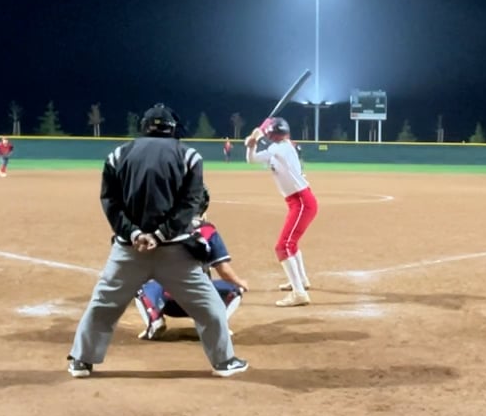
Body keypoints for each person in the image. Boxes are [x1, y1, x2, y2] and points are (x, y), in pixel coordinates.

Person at [67, 103, 246, 378]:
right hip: (176, 252)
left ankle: (81, 361)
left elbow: (111, 203)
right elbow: (190, 203)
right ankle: (224, 361)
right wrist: (162, 234)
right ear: (172, 128)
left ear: (144, 127)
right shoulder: (189, 155)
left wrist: (135, 233)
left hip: (129, 250)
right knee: (209, 306)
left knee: (103, 304)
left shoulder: (118, 154)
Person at [134, 219, 250, 340]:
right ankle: (216, 325)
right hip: (203, 301)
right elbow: (224, 270)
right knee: (235, 289)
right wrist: (239, 282)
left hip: (168, 302)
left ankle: (154, 318)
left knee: (140, 286)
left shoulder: (158, 231)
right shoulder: (207, 230)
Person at [246, 115, 318, 306]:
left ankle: (299, 293)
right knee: (290, 244)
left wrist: (257, 136)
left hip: (302, 202)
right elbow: (252, 159)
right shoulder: (276, 148)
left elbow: (268, 148)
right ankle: (301, 280)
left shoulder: (283, 148)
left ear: (273, 134)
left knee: (283, 246)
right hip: (296, 202)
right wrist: (251, 145)